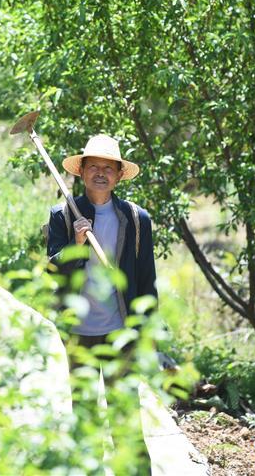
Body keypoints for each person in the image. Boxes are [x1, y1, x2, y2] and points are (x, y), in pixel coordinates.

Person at [46, 134, 158, 372]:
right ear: (81, 171)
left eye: (108, 168)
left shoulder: (137, 219)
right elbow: (53, 270)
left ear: (119, 175)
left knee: (122, 397)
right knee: (83, 397)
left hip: (122, 332)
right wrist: (76, 245)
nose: (100, 173)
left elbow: (147, 279)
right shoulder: (63, 215)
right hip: (77, 332)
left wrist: (149, 330)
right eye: (93, 167)